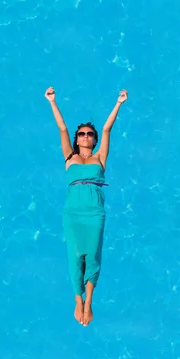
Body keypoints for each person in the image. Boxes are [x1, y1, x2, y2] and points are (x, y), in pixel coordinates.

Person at [45, 86, 128, 326]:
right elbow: (61, 127)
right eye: (81, 134)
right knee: (74, 254)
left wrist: (119, 103)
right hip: (73, 212)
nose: (85, 136)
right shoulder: (69, 157)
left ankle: (89, 300)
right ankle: (77, 299)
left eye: (89, 134)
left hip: (94, 211)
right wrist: (52, 102)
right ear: (76, 138)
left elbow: (107, 128)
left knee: (92, 253)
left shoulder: (100, 157)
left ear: (94, 139)